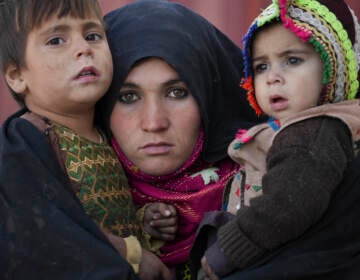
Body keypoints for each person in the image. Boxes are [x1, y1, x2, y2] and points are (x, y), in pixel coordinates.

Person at [0, 1, 171, 279]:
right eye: (57, 40)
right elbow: (46, 230)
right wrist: (133, 255)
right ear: (18, 76)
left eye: (93, 36)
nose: (84, 49)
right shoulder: (25, 139)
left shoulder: (112, 132)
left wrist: (146, 220)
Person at [191, 0, 360, 279]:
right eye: (260, 67)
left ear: (332, 68)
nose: (273, 78)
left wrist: (226, 252)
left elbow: (288, 205)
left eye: (292, 60)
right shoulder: (296, 129)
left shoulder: (314, 132)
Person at [97, 0, 260, 278]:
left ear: (208, 95)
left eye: (177, 93)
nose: (154, 123)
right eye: (128, 97)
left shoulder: (268, 184)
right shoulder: (69, 193)